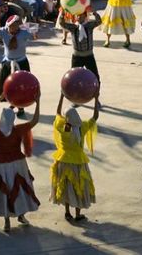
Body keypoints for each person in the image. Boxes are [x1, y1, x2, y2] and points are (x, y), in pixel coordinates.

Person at [0, 92, 41, 232]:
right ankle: (21, 215)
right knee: (19, 189)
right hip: (17, 165)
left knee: (5, 191)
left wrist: (0, 98)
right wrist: (38, 102)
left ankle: (7, 222)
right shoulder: (17, 130)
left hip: (1, 165)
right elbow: (35, 121)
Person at [50, 92, 98, 222]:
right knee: (79, 187)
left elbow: (58, 113)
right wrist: (96, 99)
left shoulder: (63, 127)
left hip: (63, 160)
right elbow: (95, 117)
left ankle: (67, 213)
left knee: (66, 187)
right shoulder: (81, 128)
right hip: (78, 162)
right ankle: (77, 214)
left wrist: (61, 97)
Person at [0, 15, 33, 116]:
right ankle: (12, 103)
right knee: (7, 86)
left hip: (21, 62)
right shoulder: (3, 31)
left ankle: (21, 107)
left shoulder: (24, 33)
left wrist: (34, 33)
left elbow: (34, 35)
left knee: (22, 86)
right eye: (10, 26)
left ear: (18, 25)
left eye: (14, 26)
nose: (11, 28)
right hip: (7, 63)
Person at [60, 11, 102, 80]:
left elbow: (99, 21)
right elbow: (62, 24)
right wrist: (62, 15)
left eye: (81, 15)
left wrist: (95, 14)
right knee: (73, 77)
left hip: (89, 56)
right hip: (77, 57)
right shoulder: (73, 27)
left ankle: (96, 90)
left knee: (95, 77)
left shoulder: (89, 25)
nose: (79, 17)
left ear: (85, 17)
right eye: (77, 16)